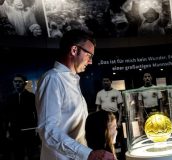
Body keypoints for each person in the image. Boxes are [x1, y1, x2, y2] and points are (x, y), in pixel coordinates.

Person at [35, 29, 115, 160]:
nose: (90, 62)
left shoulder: (72, 80)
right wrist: (88, 154)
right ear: (74, 50)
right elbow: (48, 130)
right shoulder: (53, 79)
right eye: (89, 55)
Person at [3, 73, 39, 160]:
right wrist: (7, 130)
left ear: (25, 83)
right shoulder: (9, 97)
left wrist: (37, 128)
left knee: (31, 154)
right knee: (18, 154)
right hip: (15, 131)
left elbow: (37, 113)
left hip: (29, 130)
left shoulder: (32, 97)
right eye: (15, 81)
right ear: (13, 83)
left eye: (19, 81)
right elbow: (6, 116)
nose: (17, 83)